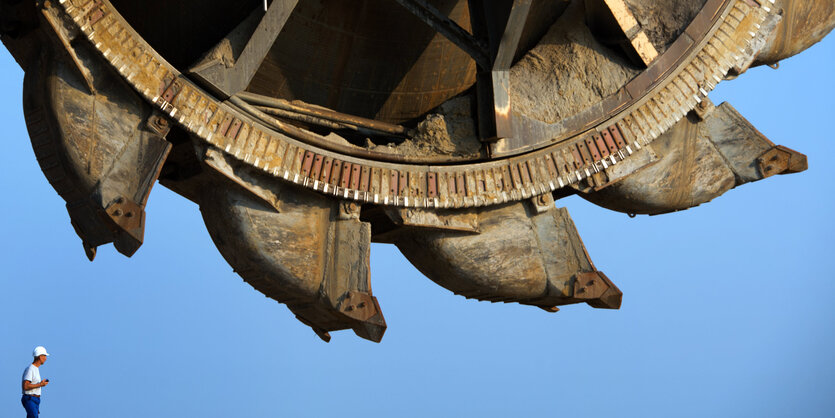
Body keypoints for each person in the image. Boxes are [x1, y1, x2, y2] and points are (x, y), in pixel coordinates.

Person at [21, 346, 49, 418]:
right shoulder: (30, 369)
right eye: (45, 356)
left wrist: (40, 384)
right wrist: (40, 384)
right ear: (40, 356)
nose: (46, 358)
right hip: (30, 399)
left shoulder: (36, 369)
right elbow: (25, 386)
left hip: (35, 400)